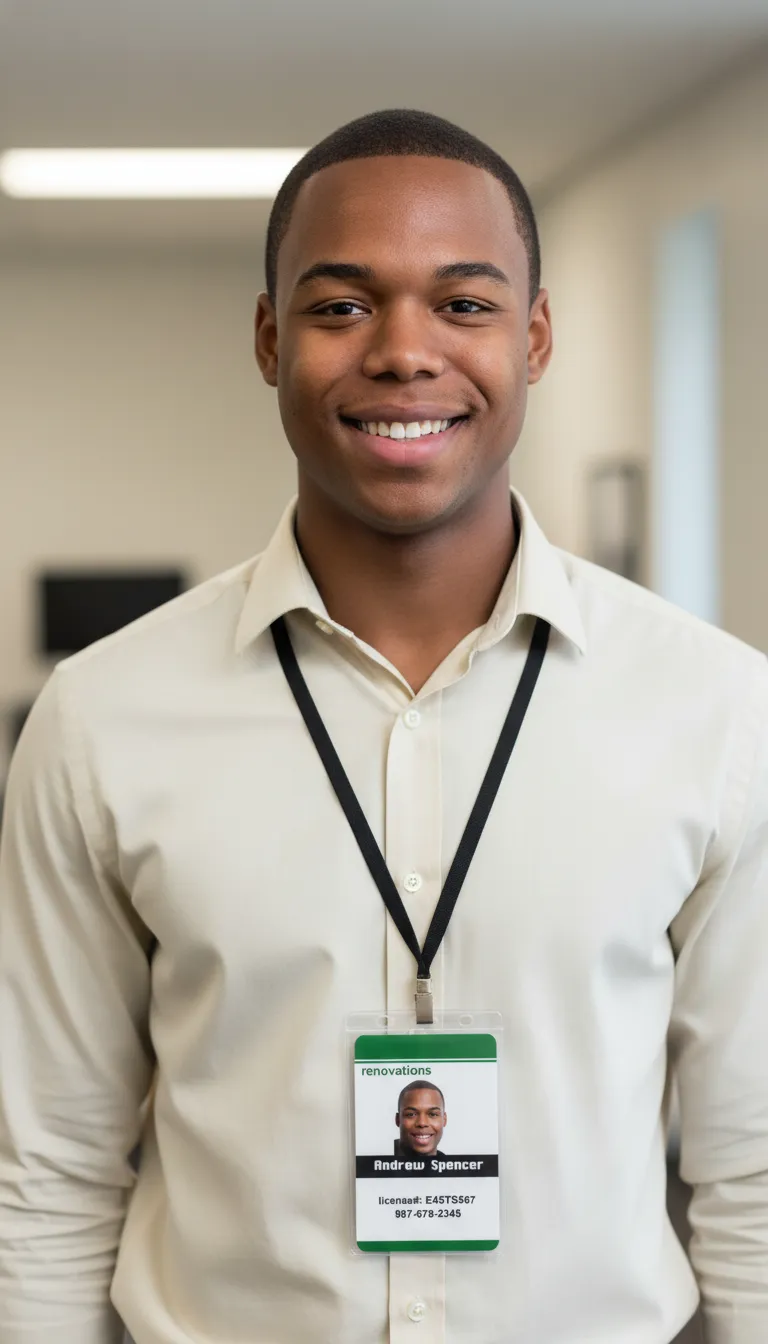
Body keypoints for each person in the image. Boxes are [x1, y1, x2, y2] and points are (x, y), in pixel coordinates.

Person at [0, 108, 766, 1344]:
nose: (405, 351)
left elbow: (754, 1174)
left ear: (537, 335)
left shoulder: (719, 714)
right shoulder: (101, 722)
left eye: (463, 305)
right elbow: (46, 1174)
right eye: (342, 306)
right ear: (268, 339)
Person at [395, 1081, 447, 1158]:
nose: (422, 1123)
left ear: (444, 1120)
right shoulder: (377, 1165)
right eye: (411, 1114)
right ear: (398, 1120)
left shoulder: (457, 1167)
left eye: (433, 1114)